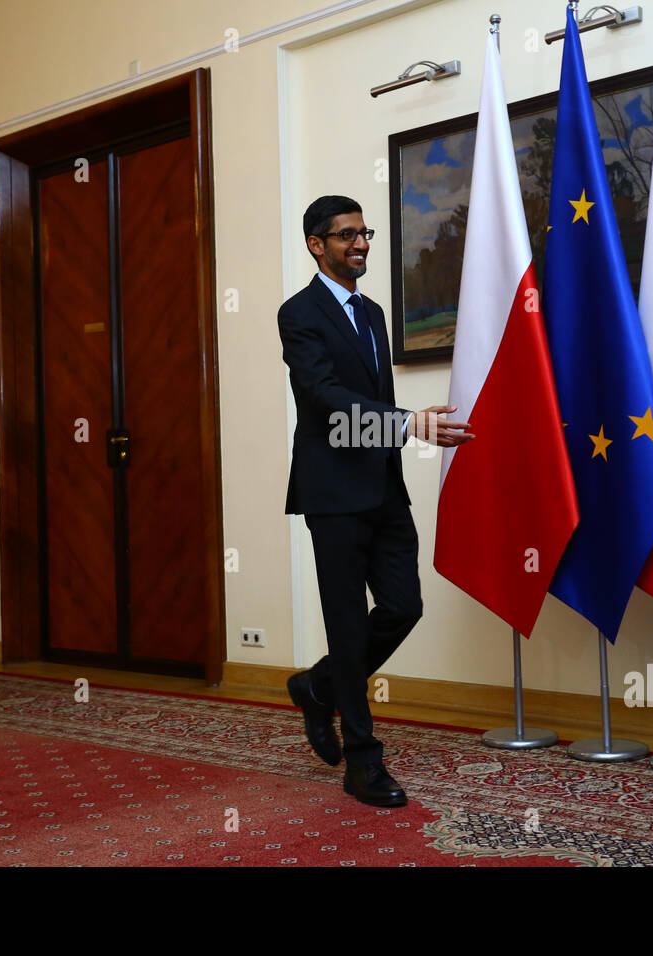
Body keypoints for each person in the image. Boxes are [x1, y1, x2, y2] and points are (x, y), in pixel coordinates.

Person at [278, 195, 474, 807]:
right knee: (344, 621)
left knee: (403, 606)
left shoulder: (373, 313)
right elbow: (323, 397)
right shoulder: (298, 314)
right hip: (332, 494)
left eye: (364, 233)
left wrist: (397, 435)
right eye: (346, 236)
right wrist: (408, 424)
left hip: (383, 488)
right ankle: (363, 762)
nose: (360, 244)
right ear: (317, 244)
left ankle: (318, 685)